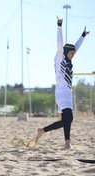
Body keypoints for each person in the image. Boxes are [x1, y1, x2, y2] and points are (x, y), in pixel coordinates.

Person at [35, 17, 89, 149]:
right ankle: (65, 142)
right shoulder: (60, 58)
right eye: (71, 53)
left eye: (73, 53)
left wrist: (83, 36)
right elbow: (60, 44)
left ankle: (49, 134)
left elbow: (75, 47)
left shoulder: (68, 59)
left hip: (67, 93)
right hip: (61, 93)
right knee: (68, 118)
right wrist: (59, 26)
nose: (73, 55)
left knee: (66, 120)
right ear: (65, 52)